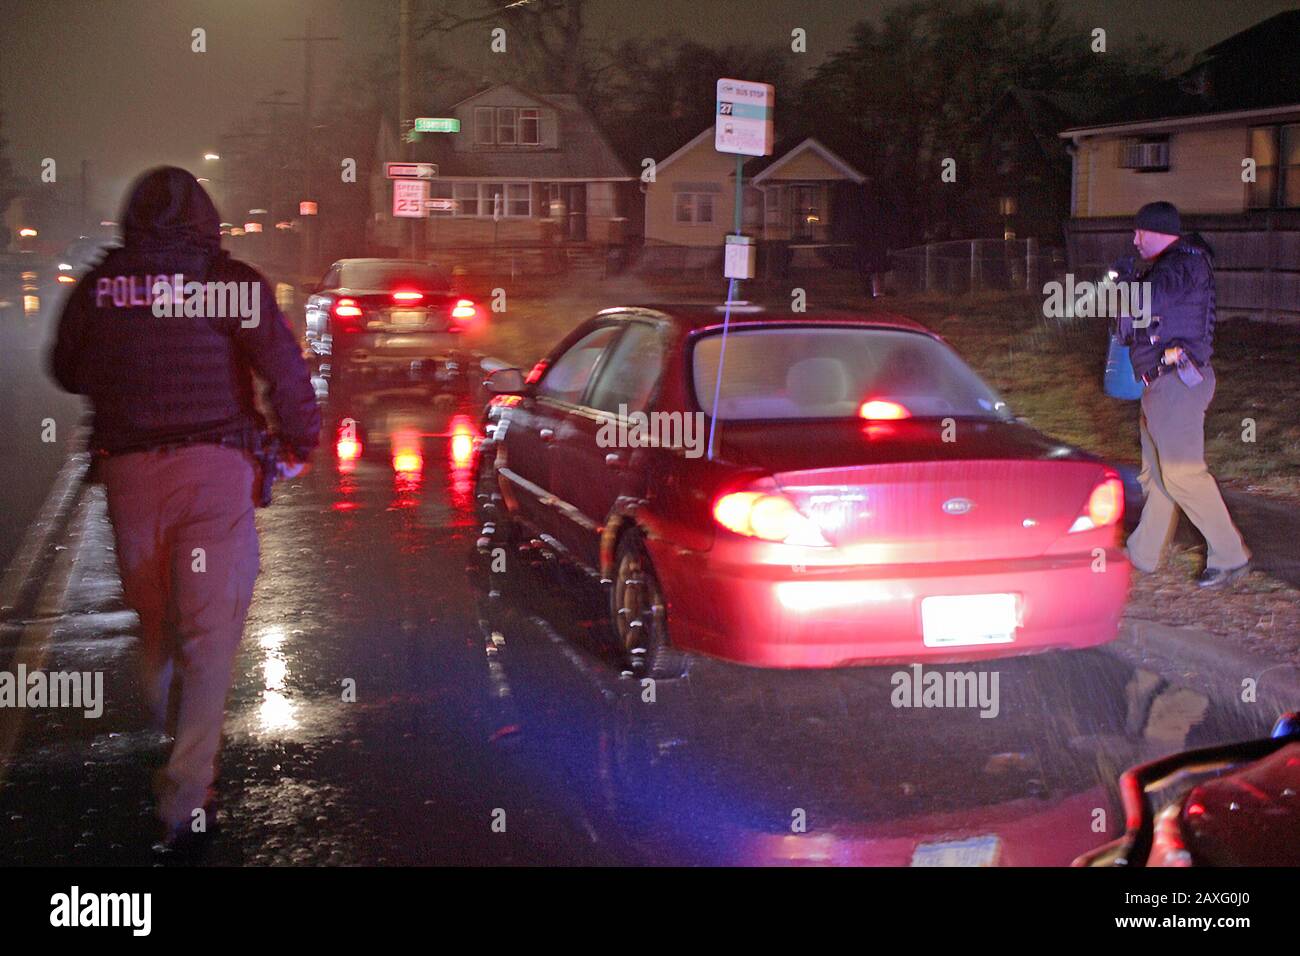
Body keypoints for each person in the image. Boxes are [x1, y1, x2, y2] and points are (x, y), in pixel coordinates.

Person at [49, 167, 320, 848]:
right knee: (209, 632)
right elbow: (284, 369)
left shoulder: (101, 286)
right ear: (205, 220)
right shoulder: (230, 282)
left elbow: (67, 368)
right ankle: (186, 797)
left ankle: (168, 746)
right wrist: (298, 443)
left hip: (130, 474)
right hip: (217, 469)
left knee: (158, 621)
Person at [1114, 201, 1250, 588]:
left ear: (1158, 231)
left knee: (1182, 474)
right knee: (1156, 477)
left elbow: (1146, 305)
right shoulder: (1168, 268)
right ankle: (1143, 554)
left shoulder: (1185, 263)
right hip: (1159, 384)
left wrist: (1127, 286)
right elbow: (1127, 328)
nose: (1134, 239)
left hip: (1177, 383)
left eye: (1140, 231)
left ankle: (1230, 556)